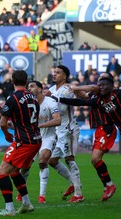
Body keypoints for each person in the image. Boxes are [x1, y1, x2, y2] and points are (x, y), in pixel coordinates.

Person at [56, 69, 121, 205]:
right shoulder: (98, 100)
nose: (101, 87)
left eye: (104, 85)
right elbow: (80, 102)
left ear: (111, 85)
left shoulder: (118, 93)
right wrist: (59, 99)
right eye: (99, 85)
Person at [0, 70, 41, 216]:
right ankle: (26, 203)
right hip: (35, 140)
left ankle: (9, 210)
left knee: (2, 172)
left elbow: (3, 123)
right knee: (14, 171)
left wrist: (7, 134)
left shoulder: (13, 98)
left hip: (24, 141)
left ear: (12, 81)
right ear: (26, 81)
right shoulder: (33, 97)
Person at [68, 73, 117, 201]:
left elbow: (90, 89)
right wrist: (75, 90)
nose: (99, 84)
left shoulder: (108, 94)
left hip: (107, 128)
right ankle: (107, 186)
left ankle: (110, 185)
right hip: (99, 129)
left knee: (95, 158)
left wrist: (75, 88)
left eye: (102, 81)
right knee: (94, 160)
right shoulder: (97, 94)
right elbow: (84, 96)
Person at [15, 80, 61, 204]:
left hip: (48, 137)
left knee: (43, 160)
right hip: (33, 137)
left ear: (40, 89)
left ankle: (42, 196)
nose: (29, 88)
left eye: (32, 86)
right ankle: (21, 192)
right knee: (26, 165)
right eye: (28, 86)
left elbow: (58, 120)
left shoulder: (50, 102)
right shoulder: (28, 103)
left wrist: (41, 125)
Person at [45, 65, 84, 203]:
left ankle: (79, 194)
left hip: (69, 129)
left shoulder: (67, 89)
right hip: (57, 131)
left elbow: (61, 109)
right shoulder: (50, 90)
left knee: (69, 160)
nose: (54, 74)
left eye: (58, 73)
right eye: (54, 72)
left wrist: (51, 98)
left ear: (64, 76)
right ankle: (72, 183)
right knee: (52, 160)